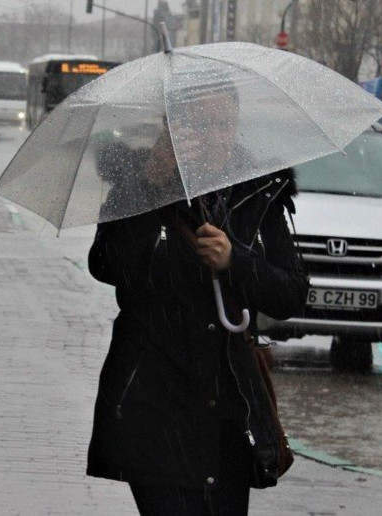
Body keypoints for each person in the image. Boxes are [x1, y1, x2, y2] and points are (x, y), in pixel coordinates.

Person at [86, 88, 308, 514]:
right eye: (200, 124)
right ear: (172, 128)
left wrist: (234, 262)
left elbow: (291, 294)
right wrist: (149, 186)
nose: (213, 137)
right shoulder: (139, 183)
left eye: (223, 124)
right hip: (154, 404)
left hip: (229, 412)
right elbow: (107, 264)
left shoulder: (257, 191)